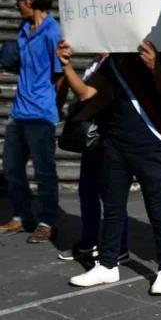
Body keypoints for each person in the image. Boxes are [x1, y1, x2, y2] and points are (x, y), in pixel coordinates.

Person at [57, 40, 161, 294]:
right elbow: (88, 93)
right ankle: (107, 265)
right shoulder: (117, 58)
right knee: (113, 209)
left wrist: (154, 66)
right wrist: (67, 66)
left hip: (150, 145)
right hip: (114, 144)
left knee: (157, 209)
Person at [0, 0, 64, 244]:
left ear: (29, 0)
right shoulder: (24, 28)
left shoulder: (53, 31)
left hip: (41, 113)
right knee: (12, 167)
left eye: (18, 0)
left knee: (44, 170)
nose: (16, 6)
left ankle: (47, 220)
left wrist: (55, 108)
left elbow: (60, 75)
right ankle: (21, 214)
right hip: (19, 111)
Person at [56, 54, 130, 264]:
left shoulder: (116, 63)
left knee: (111, 195)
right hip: (94, 138)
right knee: (87, 192)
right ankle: (90, 242)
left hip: (108, 137)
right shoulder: (95, 63)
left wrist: (67, 67)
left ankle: (118, 247)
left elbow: (86, 95)